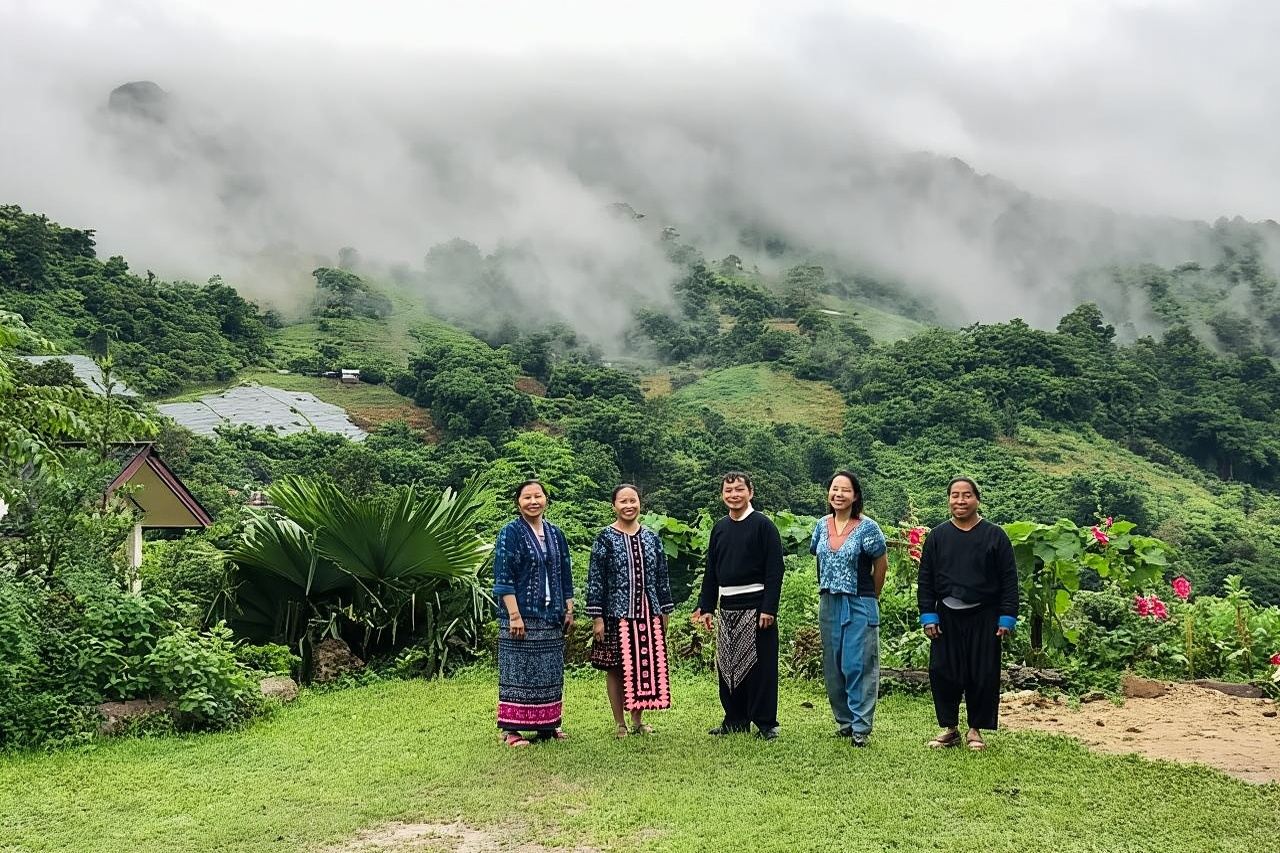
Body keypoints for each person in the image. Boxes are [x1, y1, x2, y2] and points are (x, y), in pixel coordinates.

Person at [917, 476, 1019, 752]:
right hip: (945, 616)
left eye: (966, 495)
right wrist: (928, 615)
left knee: (982, 673)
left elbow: (1009, 580)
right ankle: (950, 728)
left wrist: (1007, 616)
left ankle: (975, 730)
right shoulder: (937, 536)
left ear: (977, 499)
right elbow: (925, 579)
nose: (960, 501)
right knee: (943, 672)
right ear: (948, 499)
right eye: (955, 495)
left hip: (985, 615)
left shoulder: (995, 536)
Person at [692, 471, 785, 739]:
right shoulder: (720, 528)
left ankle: (766, 723)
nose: (734, 495)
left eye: (739, 489)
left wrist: (769, 608)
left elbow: (775, 570)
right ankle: (734, 719)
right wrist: (706, 606)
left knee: (761, 668)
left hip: (757, 606)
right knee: (728, 665)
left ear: (750, 492)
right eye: (728, 490)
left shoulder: (764, 526)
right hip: (727, 607)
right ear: (723, 495)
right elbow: (712, 570)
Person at [586, 484, 675, 737]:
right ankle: (619, 723)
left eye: (633, 500)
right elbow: (596, 579)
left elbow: (661, 577)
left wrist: (664, 611)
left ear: (640, 503)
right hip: (616, 612)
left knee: (643, 666)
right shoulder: (605, 538)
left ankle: (637, 720)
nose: (628, 506)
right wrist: (597, 617)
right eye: (623, 501)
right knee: (616, 667)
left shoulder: (651, 538)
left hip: (648, 611)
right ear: (614, 505)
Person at [809, 471, 888, 748]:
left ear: (855, 496)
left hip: (859, 601)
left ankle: (860, 727)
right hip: (829, 602)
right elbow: (819, 559)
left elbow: (881, 565)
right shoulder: (821, 525)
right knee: (833, 665)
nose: (839, 494)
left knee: (858, 664)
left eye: (845, 490)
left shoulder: (868, 527)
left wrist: (872, 596)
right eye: (834, 489)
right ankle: (844, 722)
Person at [493, 480, 575, 748]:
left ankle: (547, 725)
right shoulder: (510, 533)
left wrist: (569, 608)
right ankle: (512, 730)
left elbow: (565, 574)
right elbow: (503, 577)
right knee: (518, 672)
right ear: (518, 502)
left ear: (546, 500)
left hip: (551, 615)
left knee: (549, 672)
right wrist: (514, 615)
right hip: (521, 616)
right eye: (527, 497)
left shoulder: (556, 534)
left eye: (538, 496)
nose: (533, 501)